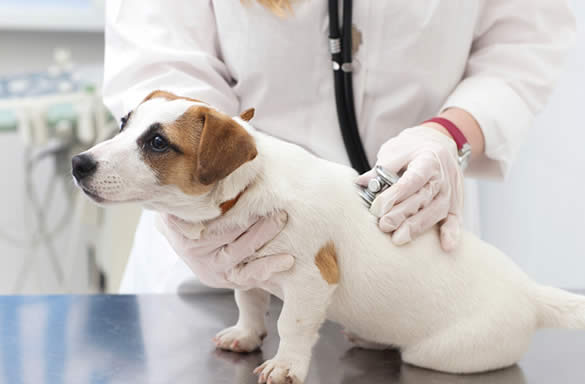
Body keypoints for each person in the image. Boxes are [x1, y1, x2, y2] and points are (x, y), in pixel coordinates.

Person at [103, 0, 575, 294]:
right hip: (220, 275)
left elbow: (524, 44)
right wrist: (207, 198)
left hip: (410, 262)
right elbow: (162, 65)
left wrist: (448, 135)